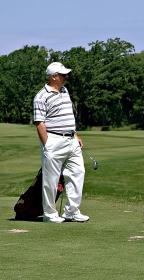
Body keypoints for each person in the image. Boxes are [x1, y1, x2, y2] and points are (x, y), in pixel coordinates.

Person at [33, 62, 89, 223]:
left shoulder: (65, 90)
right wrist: (47, 145)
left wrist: (75, 135)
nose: (66, 77)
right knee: (51, 179)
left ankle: (72, 212)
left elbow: (68, 116)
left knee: (78, 173)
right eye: (62, 74)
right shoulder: (41, 96)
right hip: (54, 140)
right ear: (53, 77)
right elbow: (39, 123)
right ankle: (50, 215)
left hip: (71, 140)